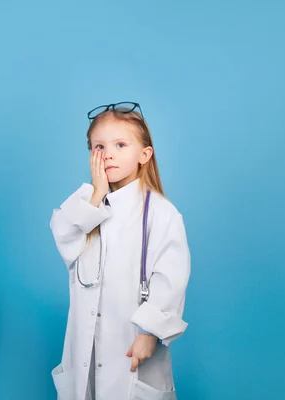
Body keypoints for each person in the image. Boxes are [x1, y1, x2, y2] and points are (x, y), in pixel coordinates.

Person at [49, 102, 190, 399]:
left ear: (144, 155)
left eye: (120, 144)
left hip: (132, 349)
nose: (108, 153)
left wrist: (149, 333)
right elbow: (64, 236)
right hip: (85, 352)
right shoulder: (85, 206)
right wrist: (97, 192)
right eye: (99, 146)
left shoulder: (161, 213)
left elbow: (170, 277)